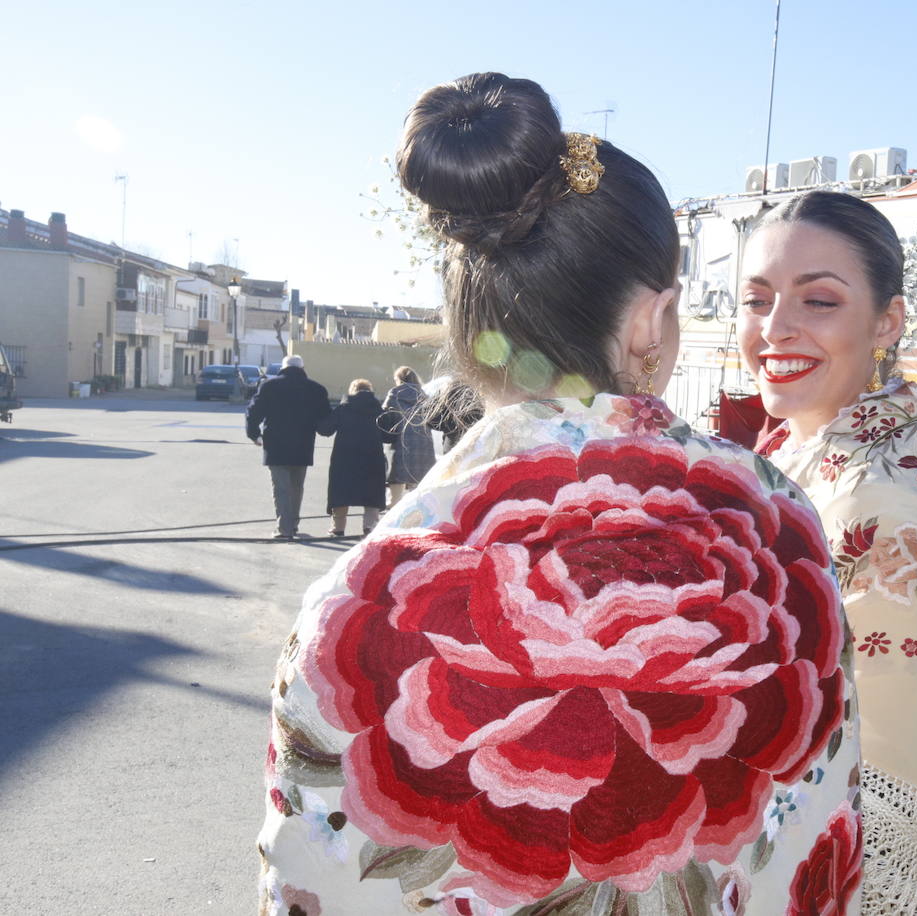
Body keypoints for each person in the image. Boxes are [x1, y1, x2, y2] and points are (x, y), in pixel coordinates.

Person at [258, 73, 861, 915]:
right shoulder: (783, 530)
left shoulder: (351, 600)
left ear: (465, 319)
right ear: (653, 320)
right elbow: (814, 853)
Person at [740, 190, 917, 914]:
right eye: (757, 299)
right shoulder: (803, 455)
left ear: (887, 322)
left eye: (818, 302)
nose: (775, 329)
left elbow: (885, 788)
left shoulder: (879, 503)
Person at [245, 353, 331, 540]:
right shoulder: (316, 389)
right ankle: (293, 525)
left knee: (281, 487)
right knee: (297, 487)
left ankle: (284, 529)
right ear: (302, 368)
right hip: (303, 445)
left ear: (283, 367)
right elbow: (325, 418)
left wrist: (254, 435)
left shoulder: (269, 386)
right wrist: (326, 430)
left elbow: (253, 412)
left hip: (275, 445)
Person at [316, 379, 391, 537]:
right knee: (372, 492)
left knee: (341, 491)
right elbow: (390, 436)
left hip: (344, 458)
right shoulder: (378, 410)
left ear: (352, 391)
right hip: (372, 457)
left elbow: (325, 429)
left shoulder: (344, 408)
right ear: (370, 391)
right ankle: (370, 526)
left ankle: (338, 528)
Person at [380, 366, 437, 506]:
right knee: (418, 480)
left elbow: (384, 416)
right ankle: (415, 510)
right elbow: (432, 418)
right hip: (423, 441)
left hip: (401, 440)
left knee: (397, 477)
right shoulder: (424, 395)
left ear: (399, 379)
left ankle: (393, 504)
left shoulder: (394, 393)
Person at [425, 376, 485, 454]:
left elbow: (428, 418)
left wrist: (439, 395)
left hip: (453, 452)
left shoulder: (448, 416)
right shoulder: (476, 399)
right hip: (474, 449)